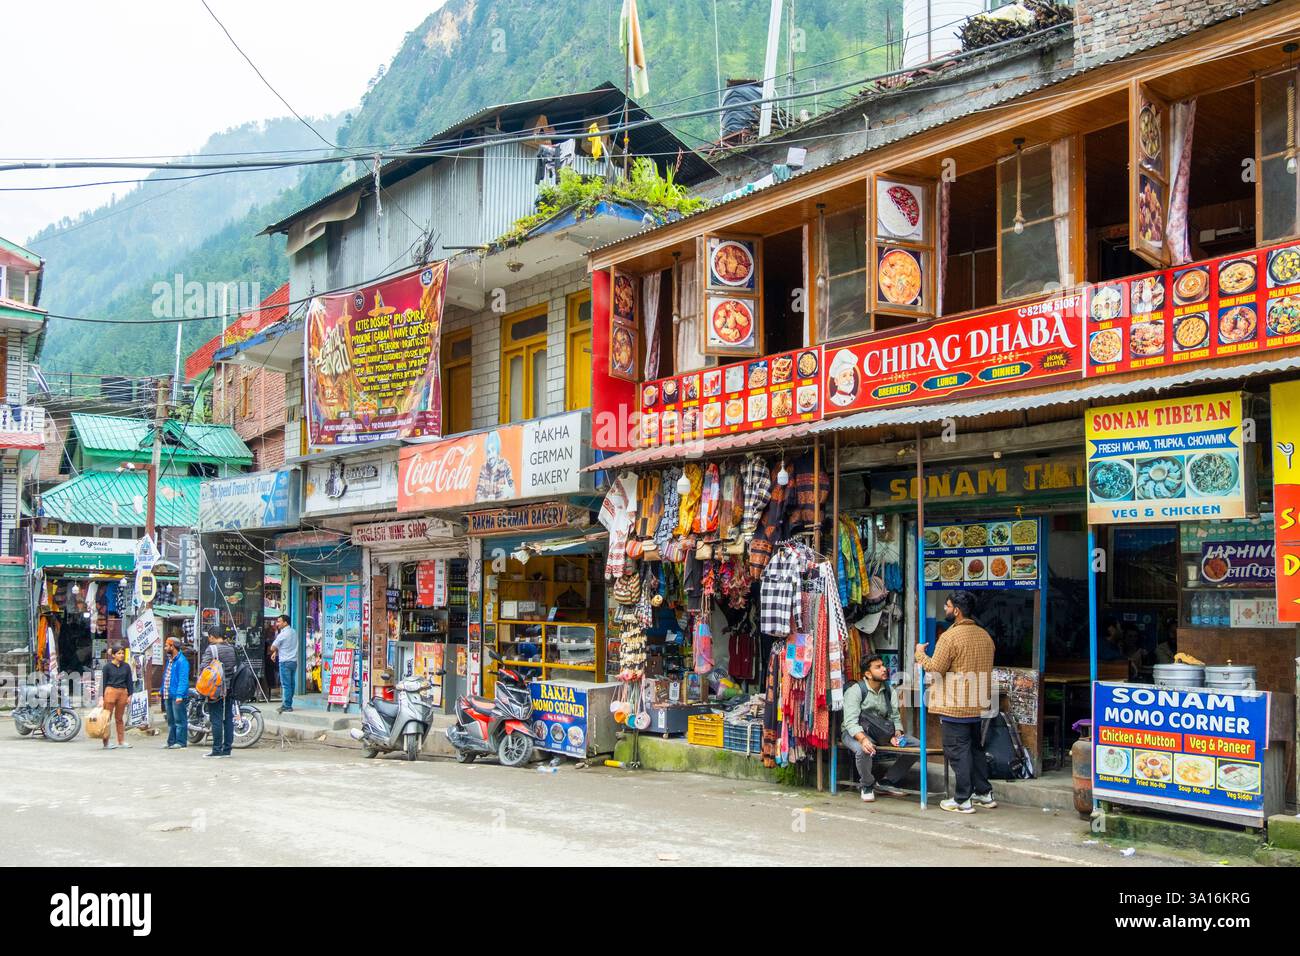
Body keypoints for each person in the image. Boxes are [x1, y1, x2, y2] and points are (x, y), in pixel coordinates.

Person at [916, 590, 997, 814]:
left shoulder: (950, 637)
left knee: (957, 752)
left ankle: (962, 799)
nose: (945, 609)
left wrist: (919, 654)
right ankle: (984, 793)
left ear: (957, 611)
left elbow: (935, 668)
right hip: (977, 703)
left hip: (955, 705)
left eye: (948, 606)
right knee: (975, 750)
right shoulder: (985, 635)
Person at [842, 655, 916, 802]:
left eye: (883, 665)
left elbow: (895, 717)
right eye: (878, 667)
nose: (884, 669)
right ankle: (867, 785)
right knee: (863, 749)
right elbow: (850, 722)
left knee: (917, 746)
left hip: (882, 733)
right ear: (868, 674)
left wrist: (896, 734)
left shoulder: (889, 690)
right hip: (855, 733)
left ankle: (886, 782)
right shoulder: (856, 690)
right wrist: (863, 739)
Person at [200, 628, 237, 758]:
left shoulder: (212, 649)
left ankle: (216, 750)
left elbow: (204, 667)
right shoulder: (232, 649)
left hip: (215, 689)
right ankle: (227, 749)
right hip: (230, 688)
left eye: (209, 637)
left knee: (216, 719)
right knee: (228, 719)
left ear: (212, 636)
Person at [100, 645, 134, 750]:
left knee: (119, 718)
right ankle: (106, 742)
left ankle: (121, 741)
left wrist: (130, 695)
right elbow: (103, 682)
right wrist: (101, 697)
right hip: (110, 691)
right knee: (107, 718)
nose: (121, 655)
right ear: (113, 655)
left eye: (122, 653)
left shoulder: (126, 666)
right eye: (119, 653)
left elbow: (129, 681)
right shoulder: (107, 667)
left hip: (123, 692)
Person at [160, 638, 190, 749]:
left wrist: (179, 695)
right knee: (171, 720)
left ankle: (181, 742)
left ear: (172, 646)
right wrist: (161, 690)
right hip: (168, 693)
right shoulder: (170, 660)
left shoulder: (182, 661)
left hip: (177, 695)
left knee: (179, 720)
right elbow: (166, 676)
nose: (165, 648)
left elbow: (183, 680)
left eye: (166, 645)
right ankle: (171, 741)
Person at [270, 614, 298, 713]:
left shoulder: (282, 634)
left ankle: (287, 705)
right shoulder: (293, 632)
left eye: (279, 621)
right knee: (291, 684)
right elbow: (285, 646)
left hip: (285, 662)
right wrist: (276, 652)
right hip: (293, 661)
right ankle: (289, 703)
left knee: (286, 685)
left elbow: (272, 647)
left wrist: (275, 650)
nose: (277, 623)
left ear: (285, 623)